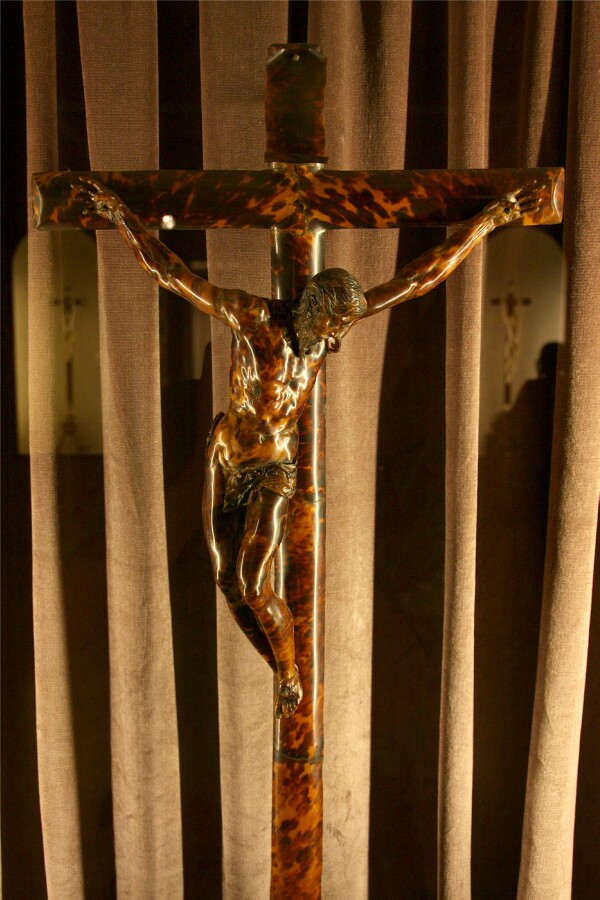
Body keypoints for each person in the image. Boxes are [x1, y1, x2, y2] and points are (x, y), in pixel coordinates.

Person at [76, 177, 542, 717]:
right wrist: (119, 215)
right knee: (227, 581)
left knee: (253, 582)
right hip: (226, 454)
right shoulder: (252, 319)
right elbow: (171, 274)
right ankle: (283, 671)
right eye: (332, 325)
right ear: (311, 305)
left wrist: (488, 221)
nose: (337, 340)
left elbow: (418, 279)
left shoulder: (325, 335)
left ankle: (289, 673)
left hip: (275, 466)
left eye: (344, 327)